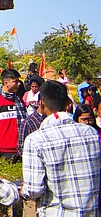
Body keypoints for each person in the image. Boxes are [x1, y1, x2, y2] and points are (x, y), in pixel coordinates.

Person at [22, 80, 101, 215]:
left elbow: (34, 190)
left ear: (41, 103)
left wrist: (22, 189)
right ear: (68, 104)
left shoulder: (35, 140)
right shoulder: (91, 133)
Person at [0, 69, 27, 161]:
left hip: (22, 149)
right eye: (15, 81)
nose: (19, 84)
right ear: (6, 83)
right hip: (5, 152)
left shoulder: (19, 100)